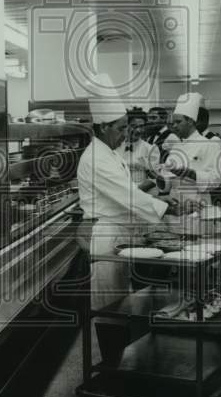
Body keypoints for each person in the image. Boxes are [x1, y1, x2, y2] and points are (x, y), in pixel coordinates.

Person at [76, 76, 179, 365]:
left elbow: (131, 191)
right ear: (103, 127)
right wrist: (165, 209)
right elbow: (126, 195)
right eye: (121, 128)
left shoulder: (109, 153)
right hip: (106, 234)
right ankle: (110, 367)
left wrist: (161, 203)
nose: (125, 134)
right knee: (107, 305)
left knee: (120, 303)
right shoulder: (96, 157)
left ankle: (118, 362)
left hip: (118, 234)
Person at [160, 91, 221, 209]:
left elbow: (215, 180)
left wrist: (191, 174)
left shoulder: (210, 145)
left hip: (197, 203)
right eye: (173, 123)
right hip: (175, 204)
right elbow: (167, 181)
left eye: (178, 122)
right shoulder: (176, 147)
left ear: (190, 121)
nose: (174, 126)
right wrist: (161, 176)